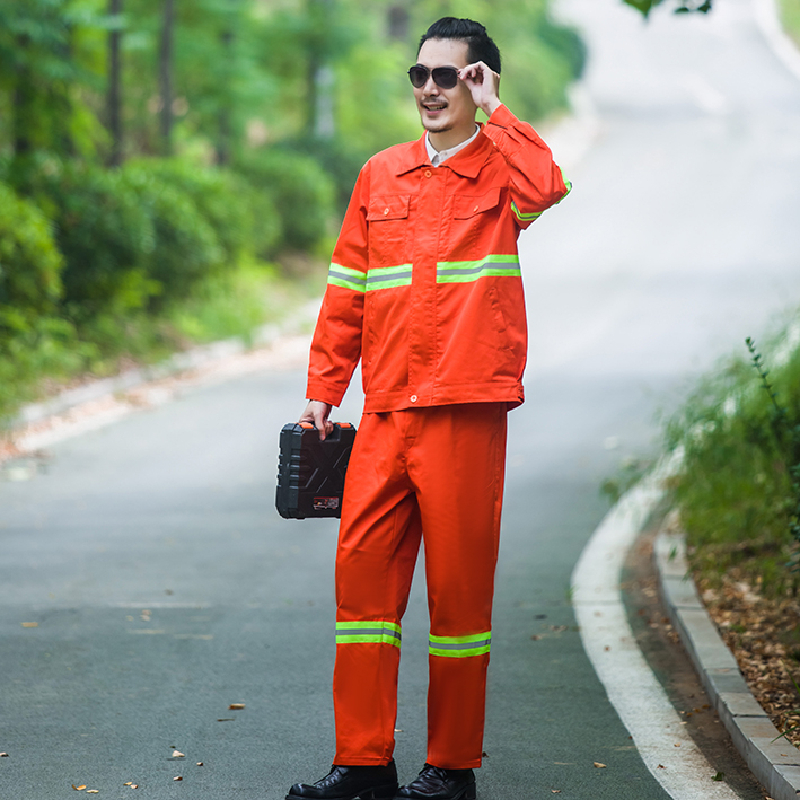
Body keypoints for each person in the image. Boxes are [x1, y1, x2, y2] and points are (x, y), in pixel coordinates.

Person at [287, 16, 570, 800]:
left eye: (451, 76)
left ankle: (451, 768)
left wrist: (498, 111)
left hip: (465, 410)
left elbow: (548, 184)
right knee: (362, 590)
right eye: (421, 75)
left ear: (478, 83)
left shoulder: (503, 174)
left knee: (459, 598)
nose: (431, 89)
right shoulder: (381, 174)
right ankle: (362, 764)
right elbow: (346, 288)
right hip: (385, 411)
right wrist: (324, 390)